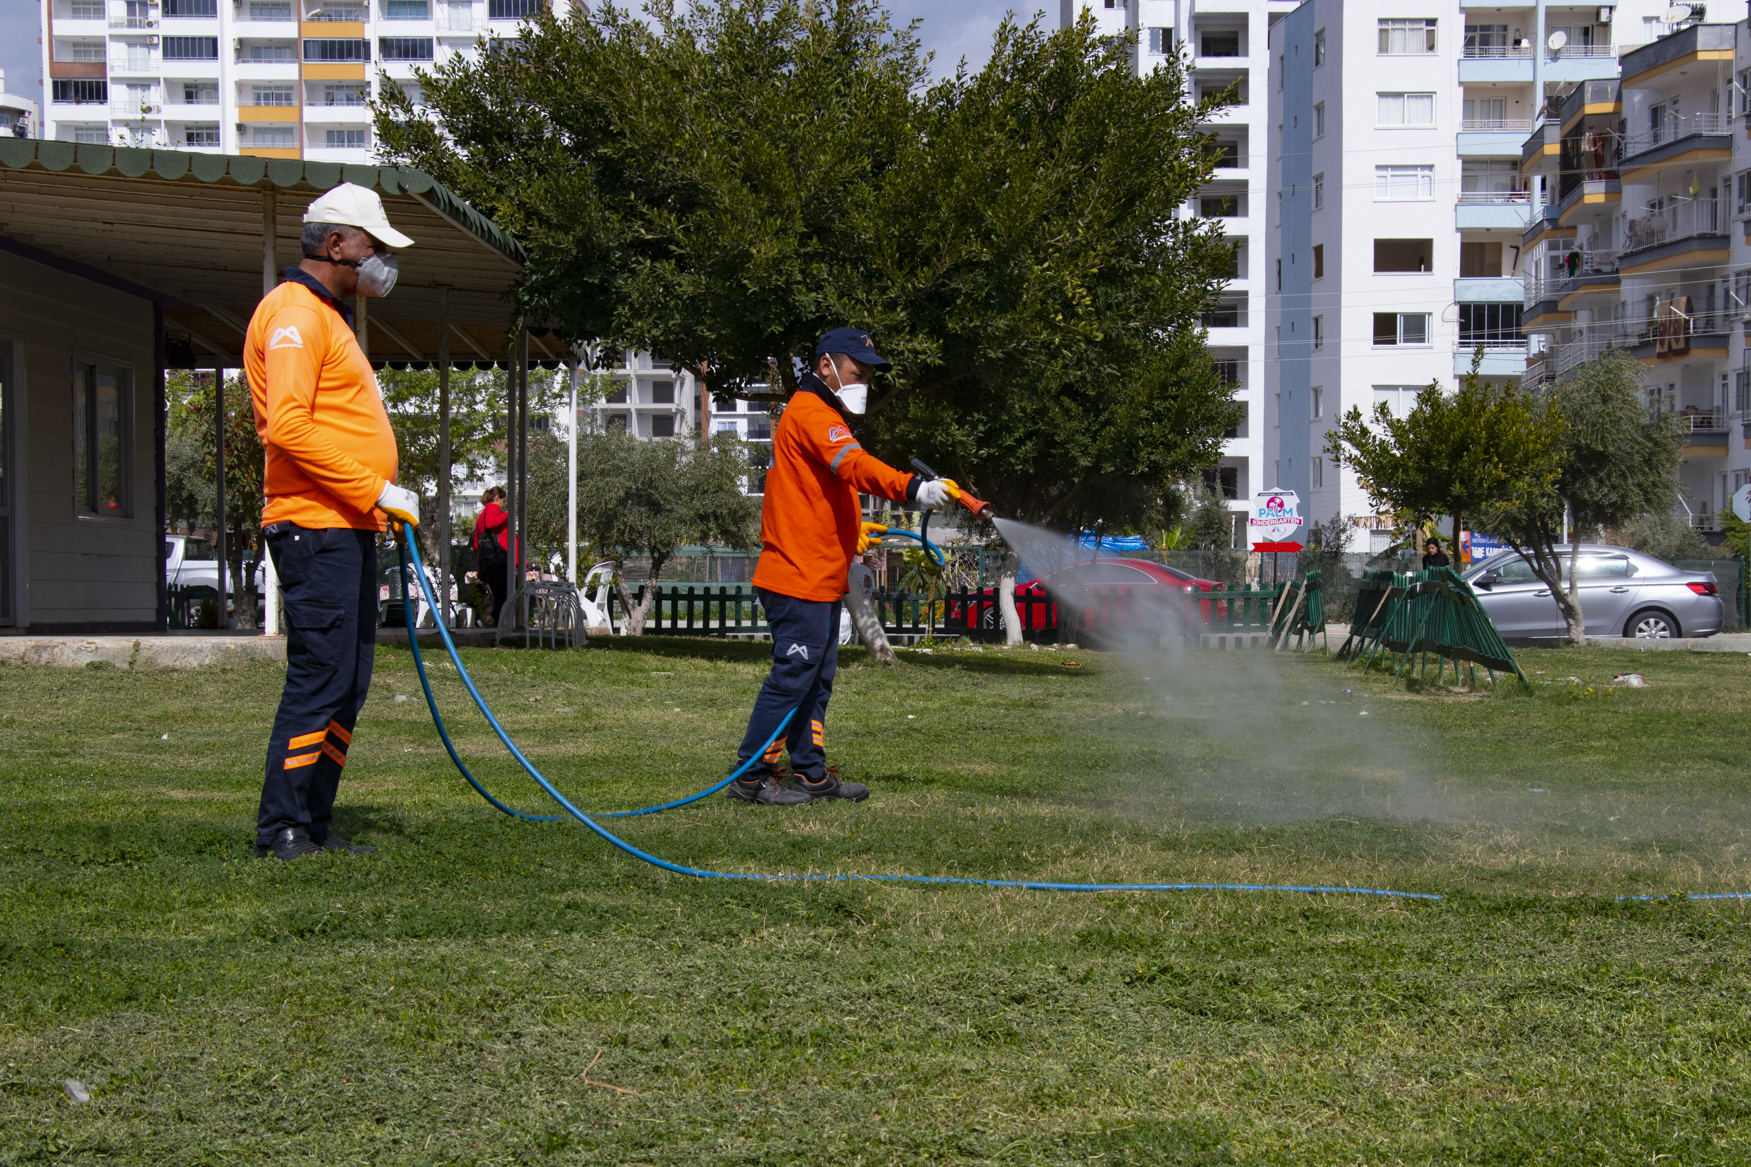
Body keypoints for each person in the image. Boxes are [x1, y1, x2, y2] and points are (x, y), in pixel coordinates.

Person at [246, 182, 421, 862]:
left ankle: (314, 819)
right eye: (371, 248)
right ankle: (281, 828)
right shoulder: (292, 314)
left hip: (347, 524)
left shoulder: (327, 317)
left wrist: (373, 499)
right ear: (337, 243)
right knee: (320, 678)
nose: (377, 263)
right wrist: (373, 486)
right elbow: (286, 426)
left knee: (347, 683)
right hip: (314, 525)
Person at [726, 328, 957, 806]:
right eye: (859, 371)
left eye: (870, 373)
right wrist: (913, 489)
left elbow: (820, 493)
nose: (865, 381)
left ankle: (809, 773)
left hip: (819, 576)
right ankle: (751, 777)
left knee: (816, 677)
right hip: (797, 577)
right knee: (794, 674)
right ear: (826, 364)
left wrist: (853, 533)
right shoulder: (811, 412)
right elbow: (855, 466)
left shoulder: (821, 413)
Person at [472, 485, 509, 625]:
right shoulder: (493, 509)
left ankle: (498, 626)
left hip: (486, 562)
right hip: (497, 560)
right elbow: (491, 523)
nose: (502, 505)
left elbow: (476, 544)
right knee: (511, 590)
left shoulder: (481, 516)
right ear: (497, 498)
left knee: (499, 595)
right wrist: (506, 515)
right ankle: (493, 618)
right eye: (503, 501)